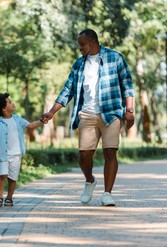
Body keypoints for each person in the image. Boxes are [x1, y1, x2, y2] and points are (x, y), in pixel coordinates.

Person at [41, 29, 135, 206]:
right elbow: (67, 90)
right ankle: (90, 180)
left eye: (82, 44)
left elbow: (127, 85)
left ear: (93, 42)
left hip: (112, 112)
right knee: (84, 156)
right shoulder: (78, 65)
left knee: (110, 152)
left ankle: (107, 193)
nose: (80, 48)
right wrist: (51, 112)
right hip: (87, 113)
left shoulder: (115, 58)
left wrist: (129, 110)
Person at [0, 92, 43, 207]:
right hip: (3, 155)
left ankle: (9, 198)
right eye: (9, 102)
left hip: (16, 154)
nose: (12, 103)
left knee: (12, 178)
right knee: (3, 175)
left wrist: (42, 121)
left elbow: (31, 125)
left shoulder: (17, 119)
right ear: (4, 109)